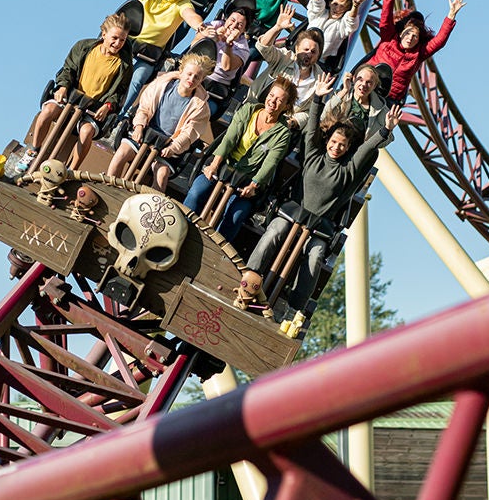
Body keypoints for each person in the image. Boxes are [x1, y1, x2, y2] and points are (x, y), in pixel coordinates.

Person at [239, 73, 381, 312]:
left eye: (342, 146)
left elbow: (367, 150)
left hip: (318, 226)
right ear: (327, 142)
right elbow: (312, 128)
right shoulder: (314, 155)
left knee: (315, 255)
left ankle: (294, 307)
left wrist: (384, 131)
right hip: (292, 214)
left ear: (347, 149)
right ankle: (250, 278)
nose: (336, 147)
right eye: (333, 142)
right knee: (275, 230)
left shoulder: (347, 171)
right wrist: (317, 99)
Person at [80, 0, 206, 109]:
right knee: (109, 62)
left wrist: (200, 26)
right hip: (127, 40)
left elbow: (190, 15)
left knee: (137, 79)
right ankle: (87, 97)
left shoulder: (183, 1)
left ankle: (117, 115)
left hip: (149, 53)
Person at [183, 75, 296, 246]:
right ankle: (180, 229)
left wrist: (253, 186)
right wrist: (214, 164)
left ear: (286, 106)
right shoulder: (248, 110)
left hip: (247, 180)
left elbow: (270, 163)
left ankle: (215, 251)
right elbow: (229, 138)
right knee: (196, 192)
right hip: (223, 165)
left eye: (279, 100)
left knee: (236, 216)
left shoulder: (282, 134)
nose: (272, 101)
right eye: (271, 95)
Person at [29, 12, 133, 167]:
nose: (118, 43)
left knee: (86, 133)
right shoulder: (83, 47)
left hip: (92, 109)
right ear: (104, 35)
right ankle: (33, 152)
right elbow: (68, 69)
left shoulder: (124, 65)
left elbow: (119, 92)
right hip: (70, 98)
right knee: (47, 112)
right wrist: (63, 87)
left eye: (122, 40)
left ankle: (71, 170)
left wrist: (108, 106)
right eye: (114, 38)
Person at [106, 53, 215, 191]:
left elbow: (189, 134)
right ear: (181, 72)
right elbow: (144, 108)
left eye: (196, 77)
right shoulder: (162, 84)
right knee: (121, 154)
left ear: (202, 80)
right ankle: (109, 187)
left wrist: (173, 148)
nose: (191, 79)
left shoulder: (200, 107)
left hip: (167, 145)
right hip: (145, 134)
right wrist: (139, 126)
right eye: (189, 74)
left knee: (162, 175)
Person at [368, 0, 465, 103]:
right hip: (370, 83)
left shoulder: (418, 53)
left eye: (414, 36)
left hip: (389, 97)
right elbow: (385, 17)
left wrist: (451, 15)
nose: (410, 38)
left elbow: (439, 41)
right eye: (408, 34)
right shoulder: (389, 37)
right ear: (401, 33)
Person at [248, 3, 325, 119]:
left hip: (284, 126)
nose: (308, 54)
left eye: (313, 52)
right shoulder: (285, 58)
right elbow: (262, 47)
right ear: (297, 48)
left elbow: (309, 112)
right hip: (256, 110)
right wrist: (277, 27)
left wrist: (295, 122)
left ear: (318, 55)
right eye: (306, 49)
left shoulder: (319, 79)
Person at [191, 1, 255, 112]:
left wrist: (228, 45)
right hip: (194, 73)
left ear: (244, 30)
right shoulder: (215, 25)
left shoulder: (243, 48)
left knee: (199, 111)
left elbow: (227, 66)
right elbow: (194, 45)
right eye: (232, 20)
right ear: (226, 19)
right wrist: (211, 38)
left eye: (239, 25)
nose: (234, 26)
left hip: (214, 86)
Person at [305, 0, 369, 69]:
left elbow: (351, 22)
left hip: (317, 64)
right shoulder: (319, 14)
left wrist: (355, 5)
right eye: (335, 4)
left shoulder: (341, 26)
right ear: (330, 3)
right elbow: (315, 4)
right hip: (299, 55)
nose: (337, 8)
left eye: (342, 6)